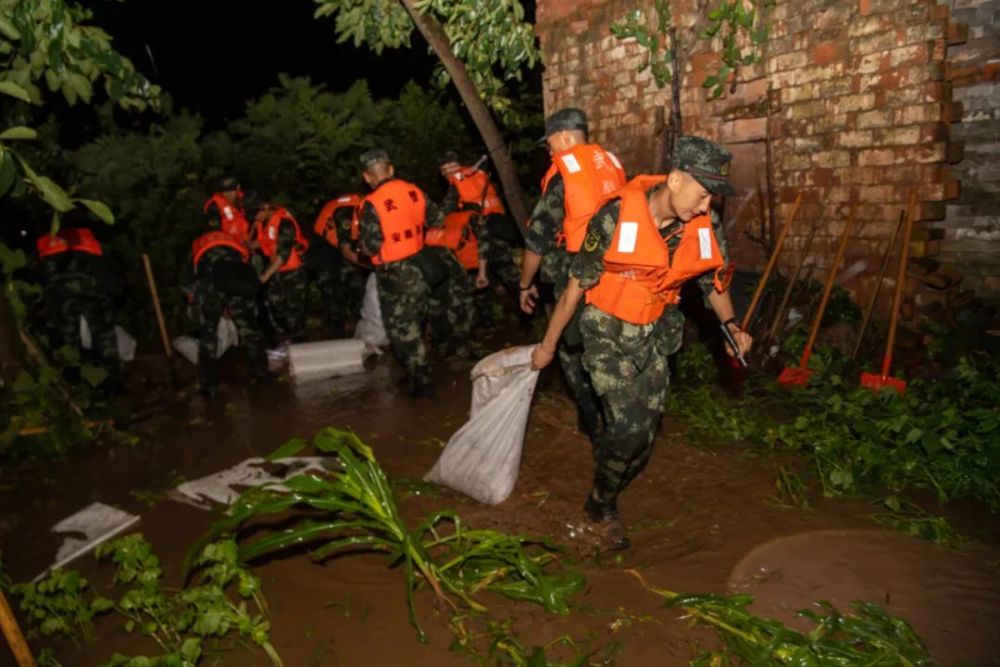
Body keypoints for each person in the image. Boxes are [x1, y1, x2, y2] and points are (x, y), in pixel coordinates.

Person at [530, 136, 753, 550]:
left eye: (712, 200)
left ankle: (606, 475)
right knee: (630, 430)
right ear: (674, 179)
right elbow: (574, 290)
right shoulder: (614, 217)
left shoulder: (704, 224)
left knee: (643, 437)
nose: (706, 207)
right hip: (606, 331)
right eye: (702, 195)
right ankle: (600, 505)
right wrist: (547, 345)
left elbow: (712, 280)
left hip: (655, 333)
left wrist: (732, 325)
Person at [519, 107, 627, 442]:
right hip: (615, 270)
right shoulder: (611, 164)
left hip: (575, 274)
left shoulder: (564, 174)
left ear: (565, 136)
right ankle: (618, 416)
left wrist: (524, 284)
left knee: (570, 351)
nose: (549, 151)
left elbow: (537, 240)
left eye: (550, 143)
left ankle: (593, 423)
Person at [355, 148, 471, 397]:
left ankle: (422, 383)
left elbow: (371, 245)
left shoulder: (370, 204)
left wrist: (360, 246)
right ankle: (423, 369)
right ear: (391, 169)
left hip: (394, 277)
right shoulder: (413, 191)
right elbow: (438, 219)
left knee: (402, 332)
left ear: (367, 177)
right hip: (420, 268)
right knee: (417, 322)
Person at [438, 152, 523, 328]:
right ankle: (527, 314)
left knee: (479, 280)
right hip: (499, 230)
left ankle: (487, 323)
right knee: (510, 276)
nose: (447, 173)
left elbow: (445, 213)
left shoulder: (456, 183)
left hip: (478, 236)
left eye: (446, 170)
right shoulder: (478, 175)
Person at [36, 223, 121, 388]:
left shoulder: (47, 242)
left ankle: (71, 382)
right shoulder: (90, 239)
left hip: (61, 292)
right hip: (93, 289)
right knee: (103, 336)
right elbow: (112, 281)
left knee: (65, 338)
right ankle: (109, 382)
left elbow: (40, 278)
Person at [188, 228, 269, 395]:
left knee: (208, 336)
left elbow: (191, 278)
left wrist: (196, 302)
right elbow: (248, 272)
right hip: (234, 280)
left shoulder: (198, 244)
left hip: (209, 282)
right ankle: (260, 373)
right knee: (249, 329)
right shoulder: (234, 240)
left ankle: (209, 385)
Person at [254, 202, 310, 343]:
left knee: (294, 309)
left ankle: (299, 342)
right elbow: (264, 242)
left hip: (293, 270)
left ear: (266, 208)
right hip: (277, 269)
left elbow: (282, 256)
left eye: (257, 213)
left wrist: (264, 277)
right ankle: (286, 334)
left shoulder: (285, 223)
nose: (255, 217)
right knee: (275, 303)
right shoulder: (266, 222)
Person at [309, 194, 364, 338]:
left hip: (342, 249)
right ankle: (336, 336)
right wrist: (370, 265)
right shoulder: (345, 212)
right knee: (334, 295)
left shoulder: (361, 208)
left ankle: (362, 333)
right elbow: (346, 251)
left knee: (356, 291)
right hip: (325, 252)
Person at [204, 177, 251, 243]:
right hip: (228, 245)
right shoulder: (214, 207)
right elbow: (214, 233)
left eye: (232, 190)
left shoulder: (242, 200)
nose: (229, 194)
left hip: (244, 242)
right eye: (225, 191)